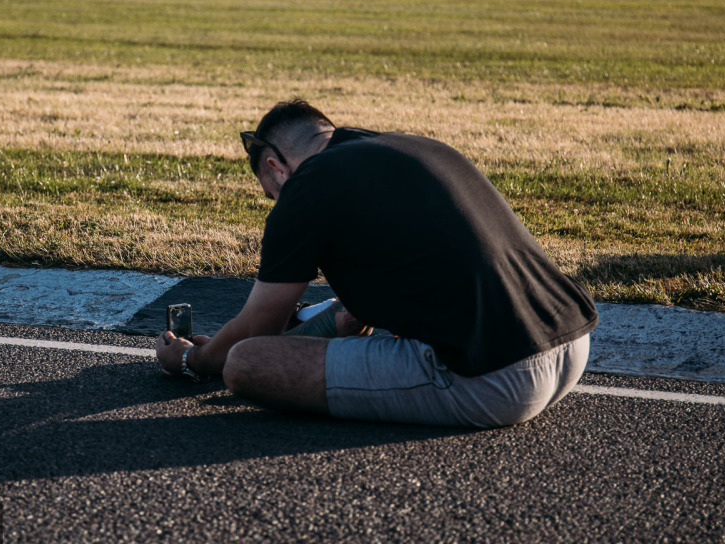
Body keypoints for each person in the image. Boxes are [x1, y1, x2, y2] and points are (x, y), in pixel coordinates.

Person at [155, 99, 598, 428]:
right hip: (571, 346)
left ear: (275, 167)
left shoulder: (306, 187)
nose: (276, 202)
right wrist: (334, 325)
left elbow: (257, 329)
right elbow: (365, 302)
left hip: (497, 380)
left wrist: (195, 360)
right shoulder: (404, 147)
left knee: (247, 364)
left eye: (270, 193)